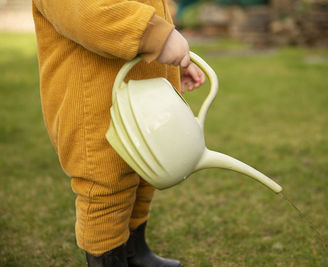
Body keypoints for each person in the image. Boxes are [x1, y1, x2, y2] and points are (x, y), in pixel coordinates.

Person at [32, 0, 205, 266]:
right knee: (107, 185)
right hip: (96, 106)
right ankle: (107, 259)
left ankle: (135, 251)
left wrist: (174, 62)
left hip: (142, 98)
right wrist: (157, 36)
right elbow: (88, 12)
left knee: (144, 173)